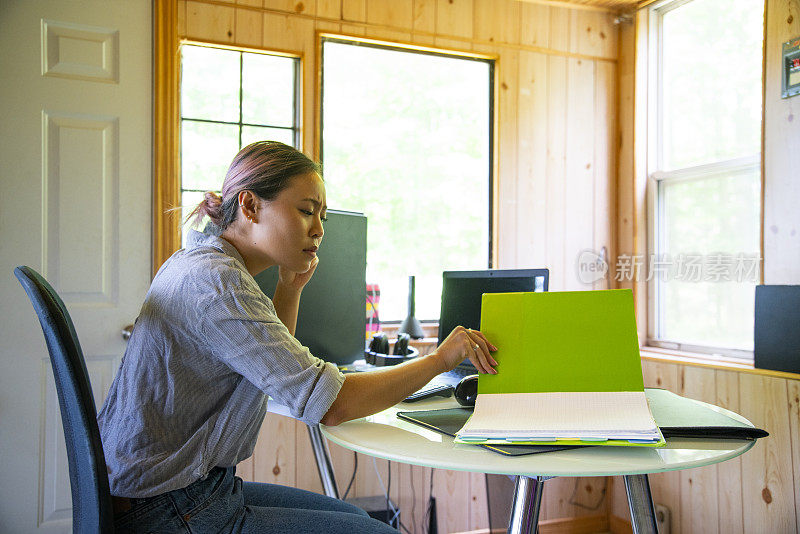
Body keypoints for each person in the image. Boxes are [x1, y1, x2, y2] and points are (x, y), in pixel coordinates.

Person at [97, 141, 498, 533]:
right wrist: (440, 360)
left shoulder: (198, 261)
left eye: (323, 215)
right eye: (307, 211)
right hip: (169, 507)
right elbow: (332, 405)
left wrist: (289, 289)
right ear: (250, 205)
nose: (319, 229)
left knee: (358, 519)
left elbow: (270, 369)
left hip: (176, 491)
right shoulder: (219, 284)